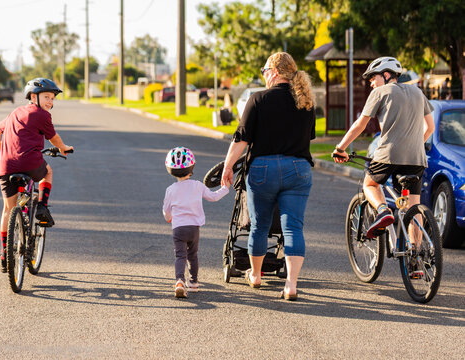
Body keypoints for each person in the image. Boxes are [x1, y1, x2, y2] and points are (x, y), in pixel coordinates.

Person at [221, 52, 316, 301]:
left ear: (274, 71)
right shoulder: (305, 101)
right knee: (293, 227)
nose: (263, 75)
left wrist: (228, 166)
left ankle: (255, 275)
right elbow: (309, 139)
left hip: (263, 169)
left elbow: (241, 139)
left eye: (264, 70)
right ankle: (291, 284)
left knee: (260, 226)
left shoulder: (258, 99)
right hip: (299, 168)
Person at [332, 57, 434, 259]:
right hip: (417, 158)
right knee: (413, 206)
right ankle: (416, 258)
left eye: (373, 77)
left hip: (388, 154)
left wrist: (340, 148)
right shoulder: (418, 92)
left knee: (370, 185)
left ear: (386, 75)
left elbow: (360, 125)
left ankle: (382, 210)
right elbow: (429, 127)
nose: (371, 83)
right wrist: (414, 144)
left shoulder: (379, 92)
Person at [0, 78, 73, 272]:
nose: (50, 102)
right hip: (30, 163)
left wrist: (2, 149)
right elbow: (54, 138)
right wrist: (64, 148)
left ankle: (5, 254)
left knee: (8, 209)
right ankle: (43, 207)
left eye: (52, 99)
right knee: (48, 172)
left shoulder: (14, 113)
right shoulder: (41, 115)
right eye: (46, 97)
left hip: (5, 165)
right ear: (33, 97)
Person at [163, 147, 230, 298]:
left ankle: (180, 281)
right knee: (192, 255)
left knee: (180, 256)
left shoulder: (170, 189)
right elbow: (213, 197)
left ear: (170, 169)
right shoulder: (198, 185)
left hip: (178, 229)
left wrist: (168, 218)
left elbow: (166, 211)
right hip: (194, 229)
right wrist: (225, 188)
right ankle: (193, 283)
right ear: (192, 167)